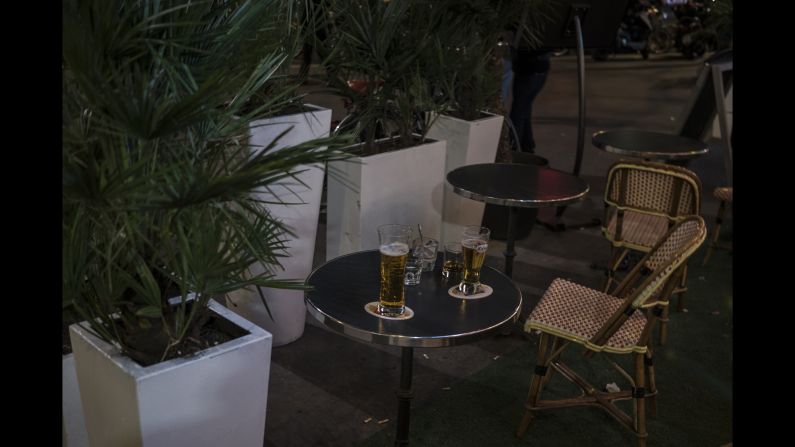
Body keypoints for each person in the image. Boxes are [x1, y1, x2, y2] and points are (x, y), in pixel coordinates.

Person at [508, 48, 551, 153]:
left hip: (528, 68)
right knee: (525, 107)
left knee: (518, 112)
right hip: (540, 67)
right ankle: (527, 145)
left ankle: (514, 148)